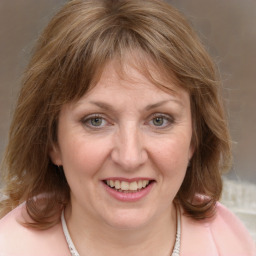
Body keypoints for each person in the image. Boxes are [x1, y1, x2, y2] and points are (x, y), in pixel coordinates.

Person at [0, 0, 255, 255]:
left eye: (159, 120)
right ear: (52, 141)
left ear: (195, 137)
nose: (129, 158)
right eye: (96, 121)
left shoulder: (231, 242)